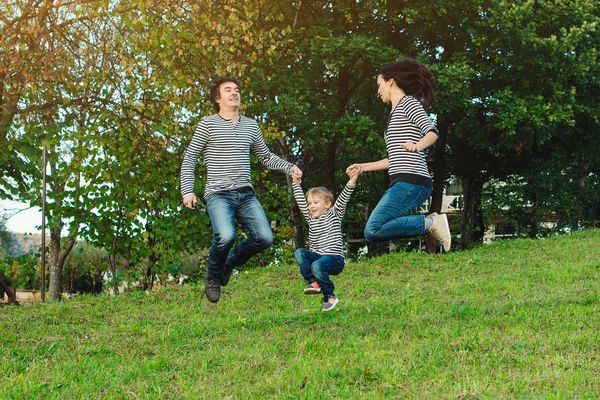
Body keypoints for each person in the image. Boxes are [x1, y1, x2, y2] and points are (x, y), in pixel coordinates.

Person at [180, 77, 302, 303]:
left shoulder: (250, 125)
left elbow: (265, 156)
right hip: (218, 194)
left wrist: (290, 167)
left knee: (264, 238)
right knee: (226, 235)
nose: (234, 93)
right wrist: (188, 190)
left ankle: (228, 263)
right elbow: (189, 159)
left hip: (245, 194)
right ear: (218, 98)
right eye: (228, 90)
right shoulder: (207, 124)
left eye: (236, 90)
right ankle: (213, 277)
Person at [346, 59, 451, 251]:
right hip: (404, 180)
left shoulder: (408, 103)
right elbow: (394, 158)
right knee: (373, 231)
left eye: (379, 85)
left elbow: (432, 132)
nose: (378, 91)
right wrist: (363, 167)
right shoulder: (393, 114)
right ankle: (430, 223)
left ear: (391, 81)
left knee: (373, 229)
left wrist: (418, 146)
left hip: (412, 180)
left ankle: (431, 223)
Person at [291, 169, 358, 312]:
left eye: (315, 202)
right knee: (299, 253)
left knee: (316, 265)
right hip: (318, 257)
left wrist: (352, 180)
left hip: (334, 259)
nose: (311, 206)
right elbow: (300, 201)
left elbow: (345, 196)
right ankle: (314, 281)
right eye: (310, 203)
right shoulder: (310, 218)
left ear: (327, 204)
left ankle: (330, 296)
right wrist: (296, 183)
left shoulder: (335, 214)